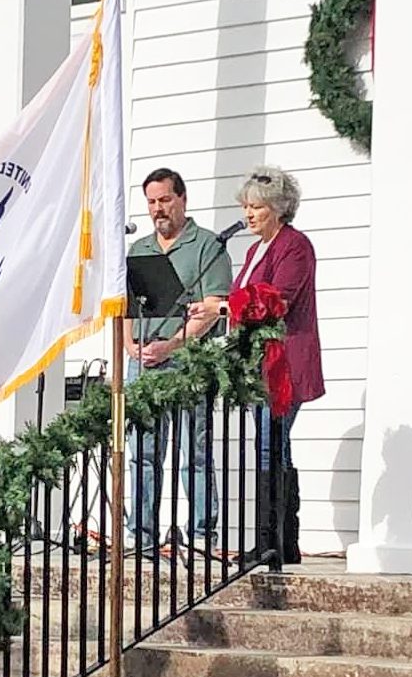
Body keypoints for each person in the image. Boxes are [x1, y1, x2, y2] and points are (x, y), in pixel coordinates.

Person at [124, 168, 232, 551]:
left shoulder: (207, 246)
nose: (158, 209)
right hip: (142, 361)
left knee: (193, 453)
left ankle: (201, 537)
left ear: (182, 199)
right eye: (152, 202)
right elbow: (126, 306)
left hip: (188, 362)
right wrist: (130, 346)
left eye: (165, 200)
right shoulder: (139, 250)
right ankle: (142, 537)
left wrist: (170, 346)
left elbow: (213, 308)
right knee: (142, 454)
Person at [231, 165, 324, 565]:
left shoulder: (295, 246)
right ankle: (282, 541)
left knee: (271, 442)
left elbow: (276, 299)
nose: (249, 214)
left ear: (279, 208)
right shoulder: (255, 250)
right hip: (259, 364)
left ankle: (272, 539)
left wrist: (225, 306)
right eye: (246, 207)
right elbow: (242, 297)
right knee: (272, 444)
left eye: (257, 207)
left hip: (285, 361)